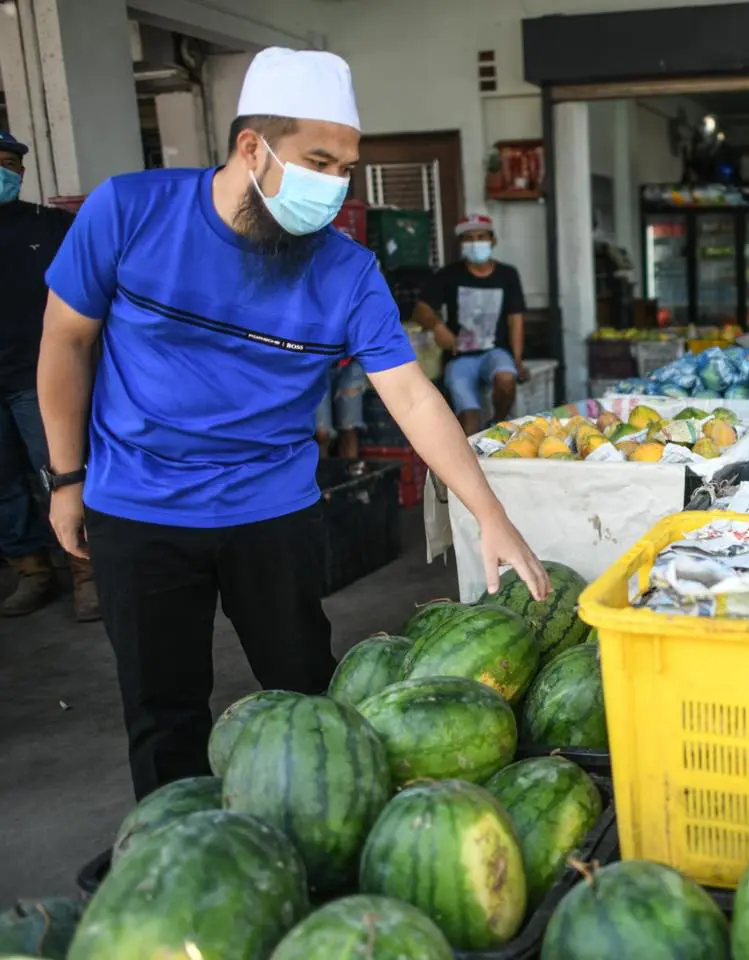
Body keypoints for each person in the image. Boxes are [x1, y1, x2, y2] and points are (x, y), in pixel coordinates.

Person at [36, 48, 548, 801]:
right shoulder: (129, 212)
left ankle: (316, 848)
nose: (335, 186)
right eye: (319, 160)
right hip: (139, 507)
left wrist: (490, 514)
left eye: (346, 167)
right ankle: (172, 854)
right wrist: (66, 477)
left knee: (309, 695)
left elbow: (411, 397)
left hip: (271, 512)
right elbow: (66, 341)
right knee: (161, 708)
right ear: (253, 147)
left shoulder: (345, 271)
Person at [0, 131, 99, 621]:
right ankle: (31, 571)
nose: (4, 171)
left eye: (10, 162)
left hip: (35, 377)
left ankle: (86, 574)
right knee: (3, 485)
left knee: (60, 474)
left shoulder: (54, 226)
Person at [411, 215, 528, 436]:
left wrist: (518, 359)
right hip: (459, 356)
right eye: (468, 238)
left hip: (496, 351)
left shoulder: (507, 275)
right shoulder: (448, 275)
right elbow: (421, 310)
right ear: (461, 244)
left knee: (506, 378)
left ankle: (497, 424)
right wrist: (437, 327)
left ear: (493, 240)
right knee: (469, 419)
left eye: (481, 237)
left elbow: (516, 318)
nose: (475, 243)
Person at [315, 358, 366, 458]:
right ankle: (323, 472)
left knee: (350, 428)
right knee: (321, 434)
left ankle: (348, 472)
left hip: (351, 361)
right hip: (316, 362)